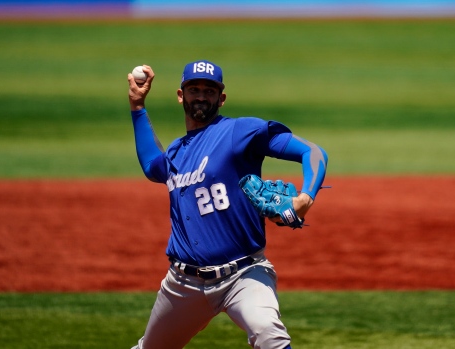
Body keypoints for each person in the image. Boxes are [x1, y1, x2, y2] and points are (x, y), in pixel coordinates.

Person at [127, 60, 328, 349]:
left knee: (269, 334)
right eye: (193, 89)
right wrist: (137, 106)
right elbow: (150, 164)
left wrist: (305, 198)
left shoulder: (239, 132)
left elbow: (313, 152)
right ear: (181, 96)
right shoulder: (175, 152)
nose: (201, 96)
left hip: (244, 274)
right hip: (184, 283)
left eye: (209, 91)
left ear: (221, 99)